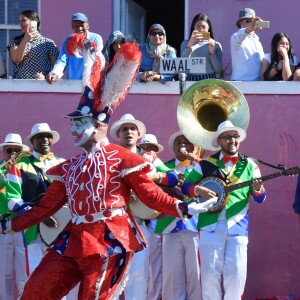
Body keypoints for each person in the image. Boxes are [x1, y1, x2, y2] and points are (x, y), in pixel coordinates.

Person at [0, 37, 215, 298]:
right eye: (73, 123)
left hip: (110, 240)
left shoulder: (122, 158)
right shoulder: (69, 167)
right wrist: (9, 226)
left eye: (79, 123)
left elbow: (150, 194)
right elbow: (46, 207)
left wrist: (185, 206)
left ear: (99, 125)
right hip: (74, 239)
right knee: (35, 291)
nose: (72, 129)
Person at [181, 120, 267, 300]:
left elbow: (260, 198)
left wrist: (258, 189)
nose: (232, 140)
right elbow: (186, 186)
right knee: (209, 275)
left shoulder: (251, 165)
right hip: (209, 226)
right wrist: (198, 190)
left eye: (235, 136)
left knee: (236, 275)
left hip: (238, 226)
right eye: (227, 137)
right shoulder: (205, 164)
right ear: (219, 142)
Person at [3, 123, 64, 296]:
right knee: (34, 280)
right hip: (32, 234)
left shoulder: (63, 164)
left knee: (60, 280)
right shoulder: (19, 165)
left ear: (52, 140)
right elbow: (12, 200)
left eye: (47, 136)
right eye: (39, 136)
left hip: (60, 232)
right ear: (32, 141)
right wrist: (38, 216)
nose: (44, 140)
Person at [154, 131, 205, 300]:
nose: (182, 145)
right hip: (169, 224)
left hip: (195, 225)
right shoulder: (164, 167)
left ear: (194, 147)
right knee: (171, 275)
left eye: (187, 141)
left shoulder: (202, 167)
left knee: (196, 273)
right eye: (178, 142)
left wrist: (196, 160)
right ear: (173, 148)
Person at [0, 133, 30, 299]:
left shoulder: (26, 170)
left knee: (24, 273)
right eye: (9, 150)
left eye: (16, 150)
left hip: (24, 228)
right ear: (3, 152)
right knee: (4, 276)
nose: (12, 153)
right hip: (3, 228)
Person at [46, 12, 103, 83]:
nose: (80, 28)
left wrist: (86, 43)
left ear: (87, 26)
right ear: (72, 27)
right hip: (73, 82)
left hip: (90, 83)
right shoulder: (68, 40)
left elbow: (97, 59)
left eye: (82, 25)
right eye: (76, 26)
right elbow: (62, 59)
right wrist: (55, 73)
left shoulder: (96, 38)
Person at [7, 10, 59, 79]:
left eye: (23, 20)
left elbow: (57, 68)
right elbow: (16, 59)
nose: (20, 24)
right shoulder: (16, 42)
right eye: (19, 21)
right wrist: (25, 39)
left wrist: (45, 77)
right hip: (19, 85)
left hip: (41, 85)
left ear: (34, 22)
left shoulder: (48, 43)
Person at [180, 13, 223, 81]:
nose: (201, 29)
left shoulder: (216, 45)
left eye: (203, 27)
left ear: (209, 28)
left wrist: (212, 53)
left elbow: (218, 70)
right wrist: (189, 46)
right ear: (193, 27)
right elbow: (181, 66)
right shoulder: (185, 43)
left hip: (209, 79)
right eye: (198, 26)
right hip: (191, 79)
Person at [230, 8, 265, 81]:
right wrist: (250, 28)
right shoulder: (235, 36)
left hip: (256, 84)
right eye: (242, 21)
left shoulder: (257, 41)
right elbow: (240, 35)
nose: (244, 23)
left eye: (249, 21)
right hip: (240, 83)